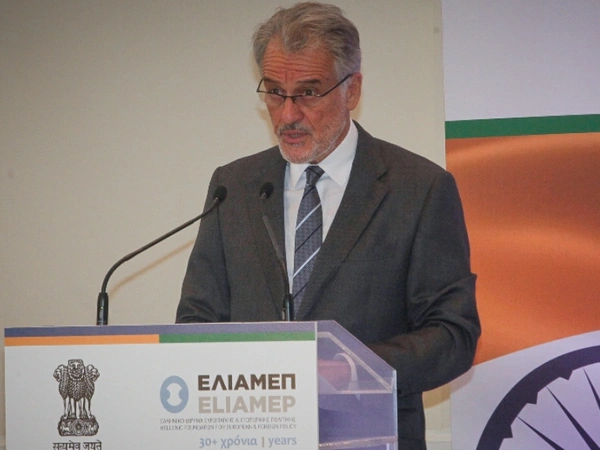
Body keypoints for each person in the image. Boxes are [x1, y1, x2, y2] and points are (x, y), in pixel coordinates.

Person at [176, 2, 480, 448]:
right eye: (275, 92)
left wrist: (353, 367)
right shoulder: (234, 186)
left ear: (351, 90)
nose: (287, 115)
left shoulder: (419, 188)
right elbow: (197, 319)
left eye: (308, 93)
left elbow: (453, 335)